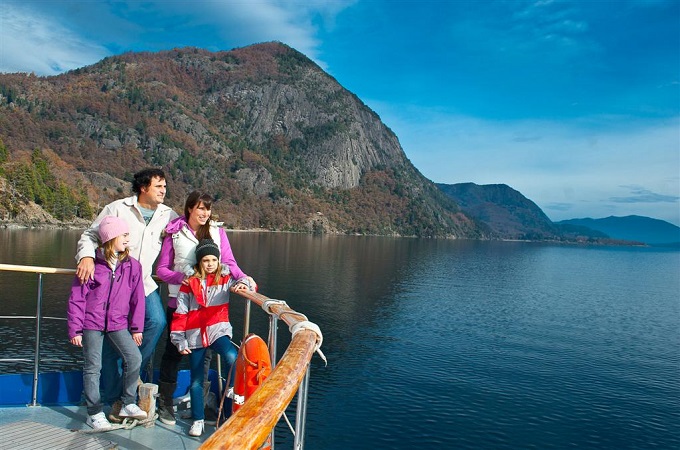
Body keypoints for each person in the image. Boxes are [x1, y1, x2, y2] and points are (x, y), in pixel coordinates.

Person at [75, 168, 179, 420]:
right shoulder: (117, 208)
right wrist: (87, 256)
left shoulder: (169, 215)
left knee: (156, 321)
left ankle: (128, 376)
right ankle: (113, 399)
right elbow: (90, 235)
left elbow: (187, 235)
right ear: (143, 188)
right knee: (111, 340)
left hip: (142, 281)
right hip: (114, 283)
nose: (163, 190)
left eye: (165, 186)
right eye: (158, 186)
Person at [155, 191, 256, 425]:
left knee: (205, 357)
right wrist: (181, 277)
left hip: (210, 307)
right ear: (189, 208)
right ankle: (166, 403)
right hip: (180, 303)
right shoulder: (175, 233)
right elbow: (162, 269)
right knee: (172, 353)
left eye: (208, 209)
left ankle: (200, 405)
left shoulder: (217, 233)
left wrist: (245, 279)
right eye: (200, 208)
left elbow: (229, 263)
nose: (205, 213)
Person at [67, 216, 149, 430]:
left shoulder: (133, 266)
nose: (127, 239)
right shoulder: (91, 264)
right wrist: (75, 329)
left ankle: (128, 403)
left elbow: (137, 299)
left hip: (118, 323)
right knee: (93, 367)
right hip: (91, 324)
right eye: (124, 235)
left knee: (134, 358)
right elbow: (78, 298)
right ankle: (94, 413)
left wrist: (136, 327)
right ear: (110, 237)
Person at [170, 239, 252, 437]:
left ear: (218, 261)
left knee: (233, 356)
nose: (209, 264)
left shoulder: (225, 278)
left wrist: (243, 283)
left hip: (218, 330)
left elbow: (244, 283)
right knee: (197, 380)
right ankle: (198, 420)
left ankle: (232, 387)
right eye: (205, 260)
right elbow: (180, 313)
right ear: (199, 262)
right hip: (195, 335)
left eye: (213, 259)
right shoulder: (189, 284)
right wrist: (179, 339)